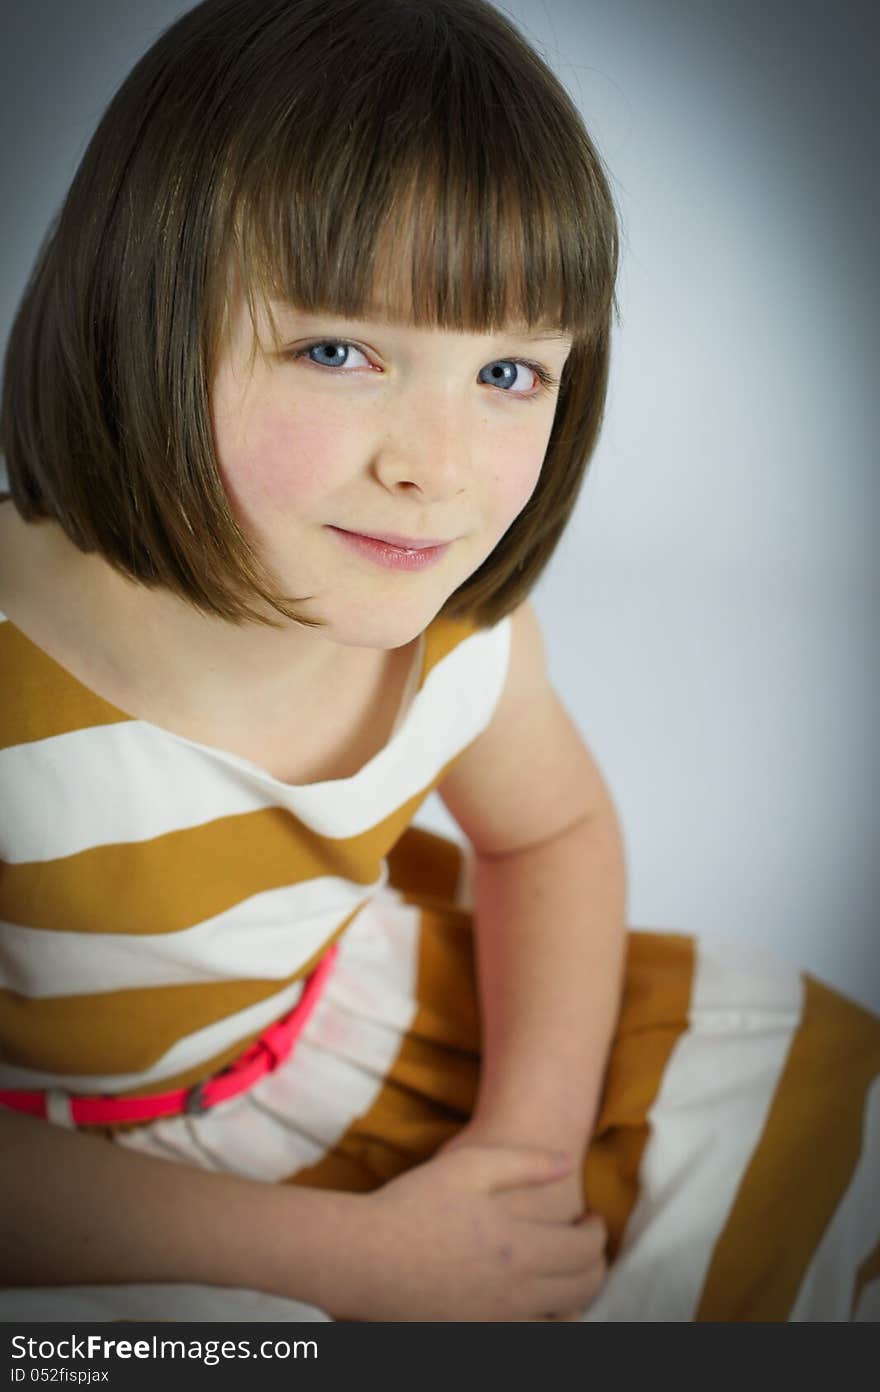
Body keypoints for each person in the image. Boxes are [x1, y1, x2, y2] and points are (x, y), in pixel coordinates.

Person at [0, 0, 876, 1324]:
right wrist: (362, 1260)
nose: (439, 470)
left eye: (512, 372)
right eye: (341, 350)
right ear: (143, 313)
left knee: (818, 1077)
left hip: (342, 1022)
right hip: (98, 1188)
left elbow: (554, 835)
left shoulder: (454, 634)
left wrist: (519, 1159)